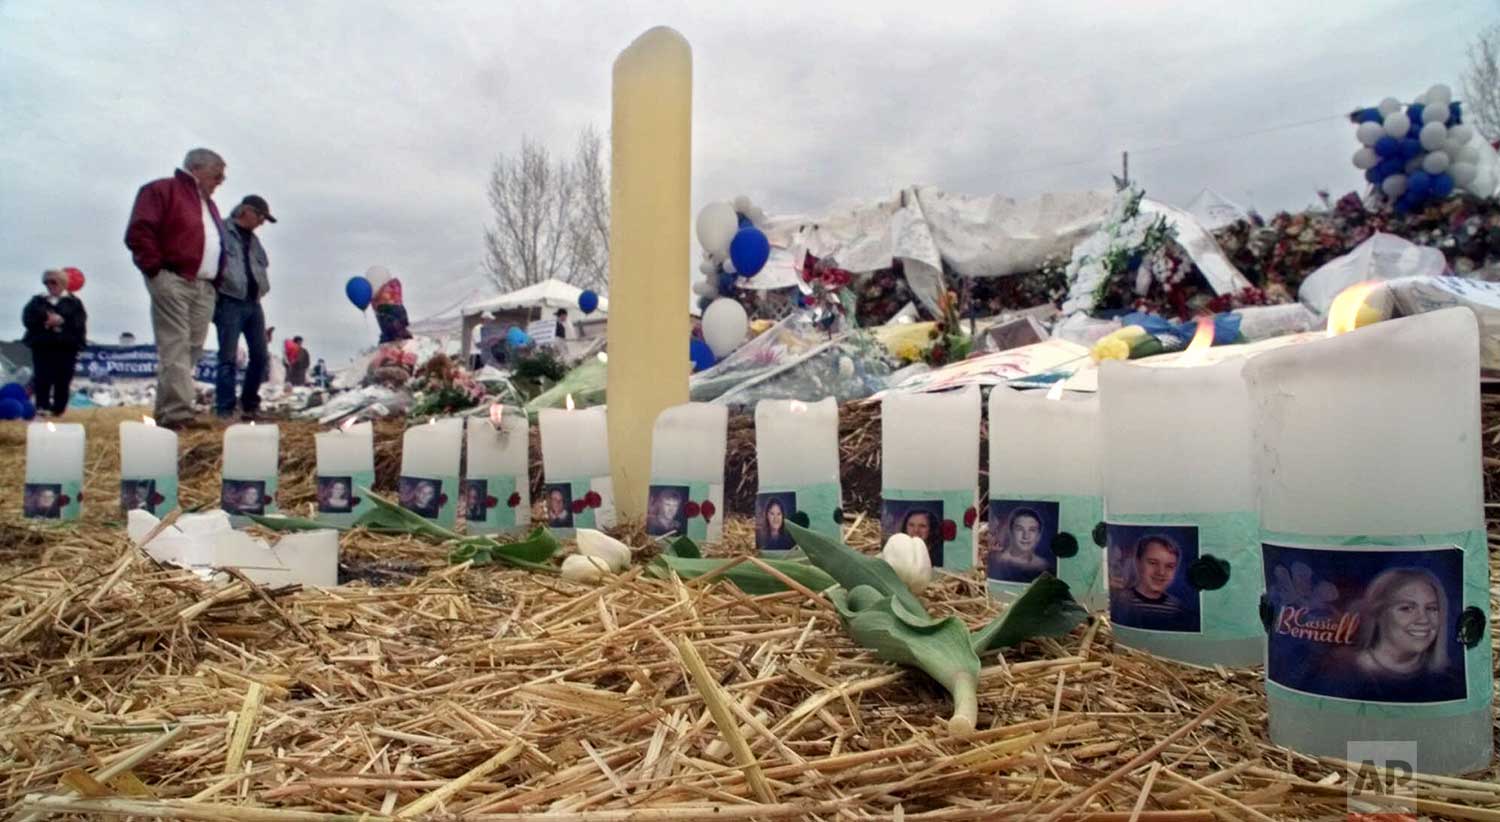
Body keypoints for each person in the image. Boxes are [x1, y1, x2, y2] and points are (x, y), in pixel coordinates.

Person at [124, 148, 227, 430]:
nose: (221, 180)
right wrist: (156, 270)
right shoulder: (161, 191)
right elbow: (139, 231)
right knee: (176, 344)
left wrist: (216, 279)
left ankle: (169, 410)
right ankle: (178, 414)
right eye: (217, 173)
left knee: (191, 348)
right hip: (173, 278)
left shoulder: (210, 206)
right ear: (196, 168)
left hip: (204, 285)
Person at [213, 196, 275, 421]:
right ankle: (225, 409)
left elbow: (261, 269)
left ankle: (250, 405)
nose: (262, 222)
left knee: (260, 356)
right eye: (260, 216)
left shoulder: (256, 243)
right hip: (229, 301)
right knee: (227, 357)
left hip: (253, 303)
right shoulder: (219, 230)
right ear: (246, 211)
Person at [1351, 568, 1451, 684]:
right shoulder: (1345, 673)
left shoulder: (1450, 681)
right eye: (1407, 608)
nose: (1424, 619)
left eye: (1432, 608)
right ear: (1377, 613)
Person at [22, 269, 87, 416]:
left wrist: (62, 321)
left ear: (63, 283)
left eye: (53, 281)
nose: (49, 285)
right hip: (43, 346)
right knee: (42, 377)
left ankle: (59, 410)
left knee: (63, 379)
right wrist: (46, 322)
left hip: (66, 347)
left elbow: (79, 323)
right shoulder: (37, 301)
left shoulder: (74, 302)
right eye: (46, 282)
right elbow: (28, 319)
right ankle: (42, 407)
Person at [1115, 536, 1185, 626]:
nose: (1161, 572)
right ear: (1137, 562)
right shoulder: (1122, 600)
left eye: (1169, 566)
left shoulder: (1176, 607)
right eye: (1153, 563)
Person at [988, 507, 1052, 581]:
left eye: (1032, 530)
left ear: (1038, 535)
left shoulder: (1043, 566)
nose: (1026, 536)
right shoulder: (997, 561)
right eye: (1019, 529)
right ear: (1011, 532)